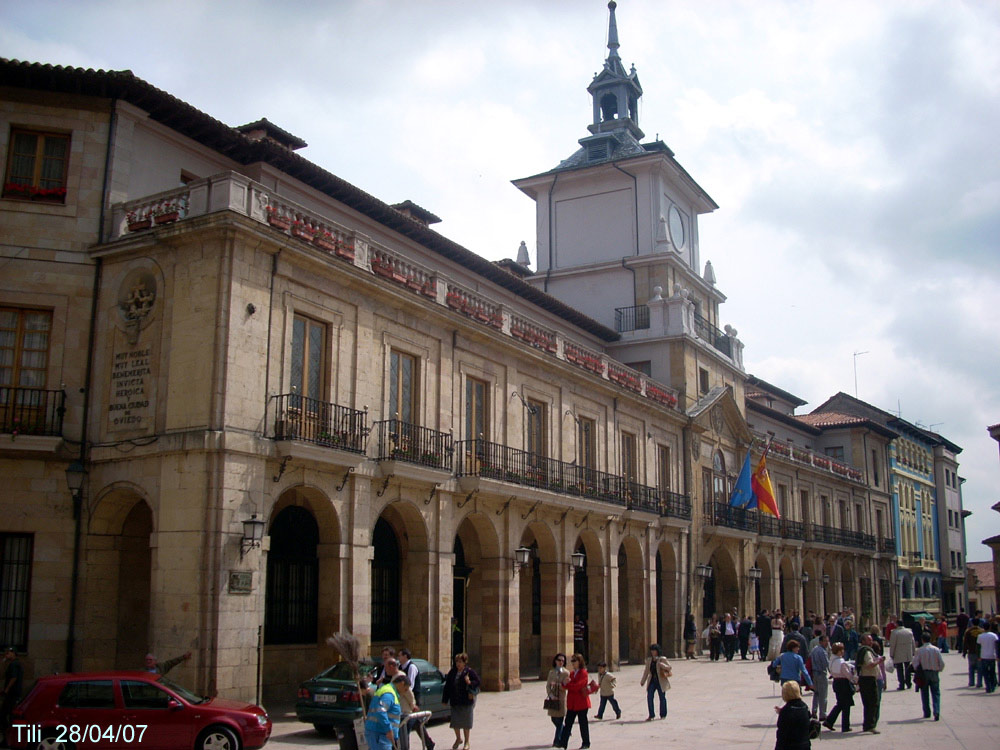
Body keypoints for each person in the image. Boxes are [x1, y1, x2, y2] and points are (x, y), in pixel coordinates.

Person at [442, 653, 479, 750]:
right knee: (455, 722)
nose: (458, 664)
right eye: (457, 662)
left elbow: (477, 681)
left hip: (466, 701)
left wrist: (469, 682)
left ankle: (467, 742)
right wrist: (445, 699)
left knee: (466, 723)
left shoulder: (469, 672)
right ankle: (458, 738)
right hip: (455, 700)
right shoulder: (452, 672)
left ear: (464, 662)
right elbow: (447, 686)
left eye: (460, 662)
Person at [557, 654, 591, 749]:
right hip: (572, 703)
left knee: (583, 723)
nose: (572, 663)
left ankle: (586, 743)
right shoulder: (571, 673)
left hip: (581, 703)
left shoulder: (583, 673)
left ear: (579, 662)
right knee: (568, 723)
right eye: (572, 661)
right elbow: (564, 685)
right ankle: (563, 743)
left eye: (574, 661)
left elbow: (578, 686)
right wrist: (565, 684)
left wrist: (567, 685)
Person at [823, 643, 856, 733]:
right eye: (841, 650)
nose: (843, 651)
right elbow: (848, 674)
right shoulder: (842, 662)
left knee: (840, 704)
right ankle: (845, 726)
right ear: (838, 651)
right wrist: (855, 681)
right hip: (844, 683)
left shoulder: (832, 661)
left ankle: (829, 721)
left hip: (836, 683)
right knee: (846, 705)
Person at [365, 670, 401, 750]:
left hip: (380, 733)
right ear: (401, 684)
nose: (405, 692)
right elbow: (381, 711)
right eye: (405, 689)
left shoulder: (388, 691)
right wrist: (388, 729)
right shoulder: (389, 693)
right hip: (380, 733)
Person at [912, 631, 944, 720]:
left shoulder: (919, 650)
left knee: (924, 693)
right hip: (934, 672)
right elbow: (941, 663)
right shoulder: (936, 649)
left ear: (922, 640)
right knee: (936, 693)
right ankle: (936, 711)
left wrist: (917, 671)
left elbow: (915, 663)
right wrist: (939, 669)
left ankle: (927, 712)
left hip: (924, 673)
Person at [855, 634, 883, 734]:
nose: (871, 642)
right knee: (873, 702)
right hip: (869, 679)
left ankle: (866, 724)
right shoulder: (866, 651)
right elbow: (870, 664)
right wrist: (879, 661)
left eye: (871, 640)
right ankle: (870, 725)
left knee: (867, 703)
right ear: (863, 641)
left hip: (863, 679)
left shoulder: (862, 650)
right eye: (869, 640)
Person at [774, 680, 812, 750]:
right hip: (804, 745)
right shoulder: (804, 707)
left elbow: (781, 735)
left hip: (790, 746)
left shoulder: (786, 711)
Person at [639, 644, 671, 721]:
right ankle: (651, 715)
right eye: (652, 650)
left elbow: (669, 667)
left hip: (660, 681)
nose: (653, 652)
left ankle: (663, 714)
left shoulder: (662, 659)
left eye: (654, 650)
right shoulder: (649, 660)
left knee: (662, 698)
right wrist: (643, 681)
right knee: (649, 697)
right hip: (652, 681)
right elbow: (646, 671)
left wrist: (661, 664)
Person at [545, 653, 570, 747]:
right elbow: (548, 685)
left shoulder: (566, 673)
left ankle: (557, 741)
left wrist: (557, 685)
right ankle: (565, 731)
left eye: (563, 661)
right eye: (559, 660)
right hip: (552, 698)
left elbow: (566, 687)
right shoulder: (551, 672)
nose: (561, 662)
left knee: (559, 720)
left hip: (561, 699)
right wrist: (551, 695)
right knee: (553, 719)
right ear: (555, 661)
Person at [0, 647, 24, 739]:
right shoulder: (16, 664)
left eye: (8, 653)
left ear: (14, 653)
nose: (6, 655)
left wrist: (7, 689)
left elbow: (13, 678)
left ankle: (7, 737)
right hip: (14, 694)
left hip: (11, 694)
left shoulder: (14, 665)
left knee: (3, 715)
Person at [808, 635, 830, 722]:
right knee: (823, 695)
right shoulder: (822, 651)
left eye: (827, 641)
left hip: (814, 673)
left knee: (816, 694)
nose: (827, 643)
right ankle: (823, 714)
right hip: (821, 673)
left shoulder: (814, 649)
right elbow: (826, 663)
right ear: (820, 642)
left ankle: (814, 711)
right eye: (825, 641)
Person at [889, 619, 915, 689]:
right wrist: (913, 652)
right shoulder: (909, 631)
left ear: (897, 624)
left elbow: (893, 644)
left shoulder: (894, 632)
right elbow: (913, 642)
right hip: (907, 653)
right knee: (908, 668)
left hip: (898, 653)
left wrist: (891, 654)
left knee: (899, 669)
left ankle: (902, 684)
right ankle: (908, 682)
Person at [976, 622, 998, 693]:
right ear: (989, 627)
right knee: (992, 672)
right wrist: (997, 655)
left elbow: (978, 647)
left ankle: (988, 687)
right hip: (992, 655)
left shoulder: (980, 636)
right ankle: (993, 685)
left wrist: (978, 656)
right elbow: (997, 646)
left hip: (983, 656)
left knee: (985, 672)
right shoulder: (994, 635)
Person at [962, 618, 984, 687]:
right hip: (980, 653)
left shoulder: (968, 631)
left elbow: (965, 642)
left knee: (971, 668)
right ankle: (979, 683)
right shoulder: (982, 631)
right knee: (980, 669)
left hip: (971, 652)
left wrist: (964, 652)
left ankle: (971, 682)